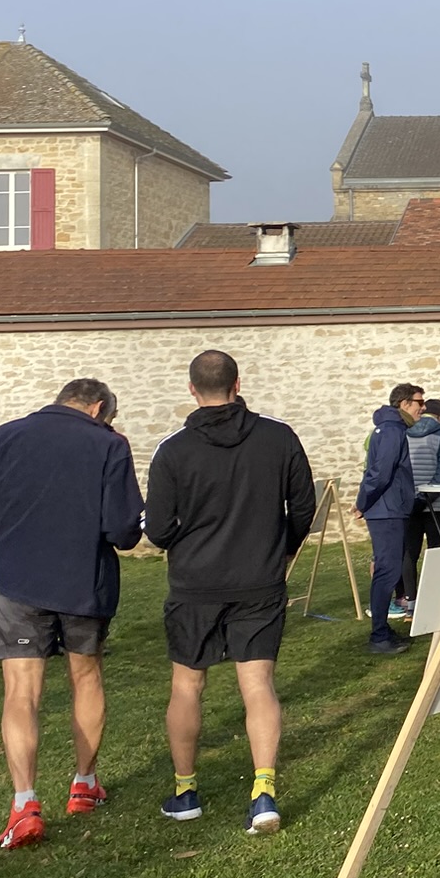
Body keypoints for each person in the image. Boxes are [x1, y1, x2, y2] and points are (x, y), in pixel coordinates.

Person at [0, 378, 143, 850]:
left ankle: (24, 802)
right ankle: (84, 783)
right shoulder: (109, 445)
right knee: (86, 677)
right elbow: (123, 529)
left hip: (19, 582)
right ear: (98, 408)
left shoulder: (5, 435)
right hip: (84, 580)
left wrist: (12, 537)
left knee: (21, 691)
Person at [144, 350, 316, 834]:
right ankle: (263, 792)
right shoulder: (279, 437)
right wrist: (283, 547)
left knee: (187, 685)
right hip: (258, 578)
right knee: (257, 684)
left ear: (192, 389)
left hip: (195, 582)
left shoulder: (173, 450)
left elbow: (157, 529)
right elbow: (304, 507)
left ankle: (185, 791)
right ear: (237, 384)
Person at [354, 384, 421, 654]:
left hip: (390, 508)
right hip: (387, 510)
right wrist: (362, 502)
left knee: (388, 570)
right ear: (404, 404)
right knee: (387, 571)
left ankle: (382, 630)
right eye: (419, 402)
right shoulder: (392, 430)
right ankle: (379, 636)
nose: (422, 408)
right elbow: (380, 472)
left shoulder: (392, 428)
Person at [399, 396, 440, 618]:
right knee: (437, 551)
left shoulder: (404, 431)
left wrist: (412, 497)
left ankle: (411, 603)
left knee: (409, 553)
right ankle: (436, 603)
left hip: (408, 502)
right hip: (436, 503)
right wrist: (427, 494)